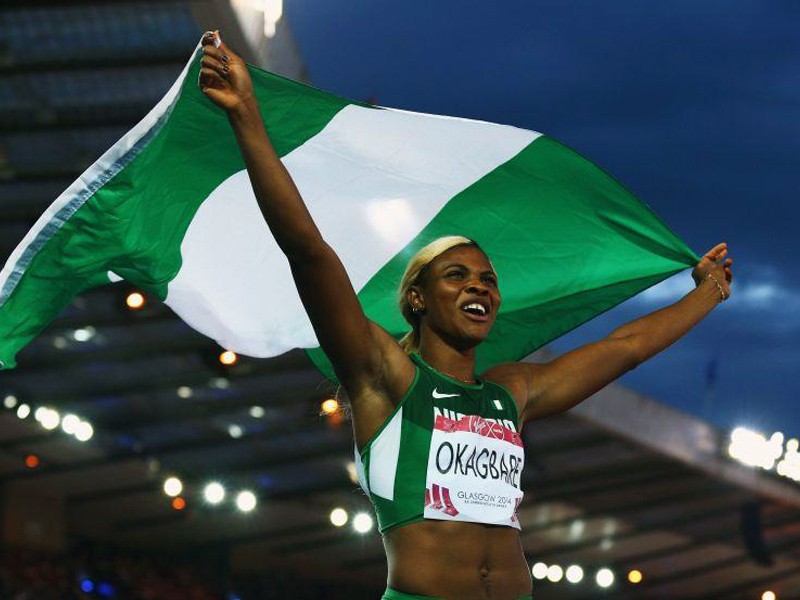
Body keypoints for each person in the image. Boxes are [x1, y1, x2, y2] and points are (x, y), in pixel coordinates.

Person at [197, 31, 733, 600]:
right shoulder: (384, 377)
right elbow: (308, 250)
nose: (479, 286)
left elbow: (625, 347)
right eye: (457, 275)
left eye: (488, 280)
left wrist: (707, 292)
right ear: (418, 298)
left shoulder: (510, 392)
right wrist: (247, 117)